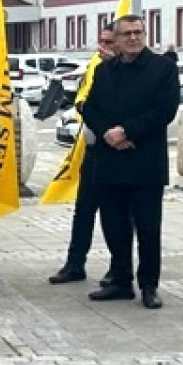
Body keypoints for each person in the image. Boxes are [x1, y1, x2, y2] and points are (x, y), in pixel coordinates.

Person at [82, 15, 179, 310]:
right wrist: (108, 133)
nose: (134, 38)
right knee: (114, 225)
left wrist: (126, 131)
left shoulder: (162, 67)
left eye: (138, 32)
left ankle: (149, 284)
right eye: (127, 34)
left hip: (145, 161)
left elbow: (165, 110)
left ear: (145, 34)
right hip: (110, 160)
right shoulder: (105, 69)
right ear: (118, 39)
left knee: (148, 228)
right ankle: (121, 280)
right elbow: (90, 107)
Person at [49, 26, 118, 286]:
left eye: (109, 43)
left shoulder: (119, 72)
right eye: (100, 42)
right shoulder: (95, 67)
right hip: (91, 148)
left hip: (116, 150)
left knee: (116, 216)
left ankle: (118, 267)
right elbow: (84, 101)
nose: (102, 48)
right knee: (84, 211)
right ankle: (75, 264)